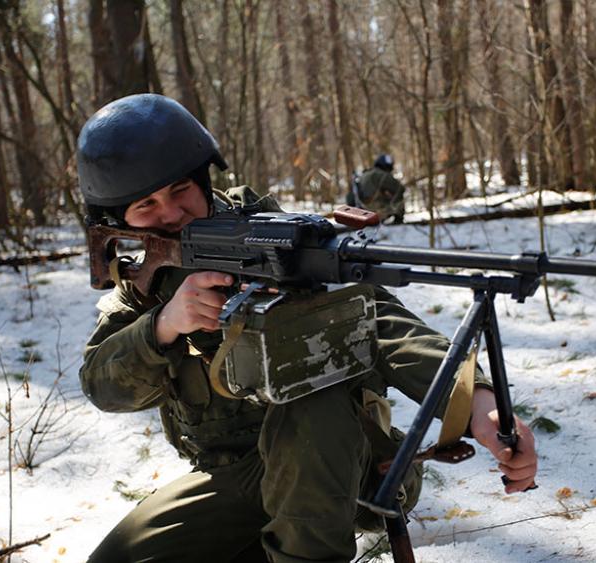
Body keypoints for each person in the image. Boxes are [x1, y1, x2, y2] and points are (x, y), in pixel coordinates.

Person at [77, 93, 537, 563]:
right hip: (234, 477)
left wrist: (477, 401)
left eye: (179, 191)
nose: (170, 213)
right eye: (146, 205)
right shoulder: (143, 281)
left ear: (202, 179)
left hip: (341, 461)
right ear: (117, 219)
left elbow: (381, 323)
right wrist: (164, 325)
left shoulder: (268, 240)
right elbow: (102, 384)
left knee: (309, 396)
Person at [347, 154, 406, 224]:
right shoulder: (381, 174)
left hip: (362, 211)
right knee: (399, 200)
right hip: (375, 210)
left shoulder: (365, 174)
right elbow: (399, 188)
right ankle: (398, 222)